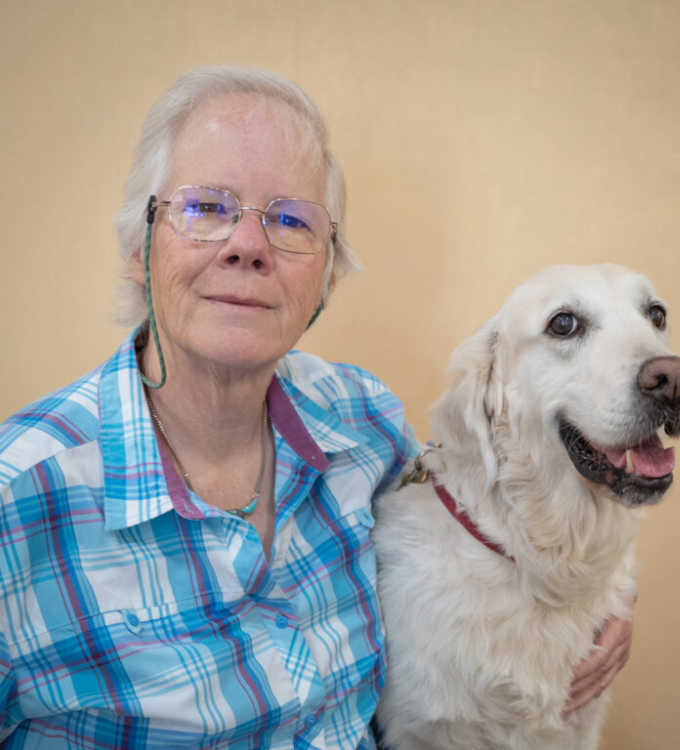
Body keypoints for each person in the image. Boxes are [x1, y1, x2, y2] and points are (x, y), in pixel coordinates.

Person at [0, 65, 633, 749]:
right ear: (136, 248)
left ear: (328, 274)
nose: (247, 246)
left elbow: (507, 513)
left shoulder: (365, 421)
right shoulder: (19, 499)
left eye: (290, 219)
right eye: (206, 208)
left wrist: (608, 599)